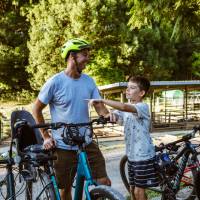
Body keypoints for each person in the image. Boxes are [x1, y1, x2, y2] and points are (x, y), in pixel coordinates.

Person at [32, 38, 111, 200]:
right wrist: (46, 136)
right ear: (71, 56)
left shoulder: (89, 81)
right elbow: (36, 109)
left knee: (104, 182)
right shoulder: (55, 82)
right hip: (63, 145)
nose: (87, 58)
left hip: (86, 142)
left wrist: (108, 115)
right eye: (84, 54)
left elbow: (99, 106)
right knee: (65, 190)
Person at [89, 76, 159, 200]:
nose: (127, 90)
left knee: (138, 191)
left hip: (143, 155)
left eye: (132, 88)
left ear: (142, 93)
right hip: (131, 155)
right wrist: (100, 107)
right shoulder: (125, 109)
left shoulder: (142, 107)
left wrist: (102, 100)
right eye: (127, 88)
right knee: (132, 189)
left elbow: (123, 107)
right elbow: (110, 115)